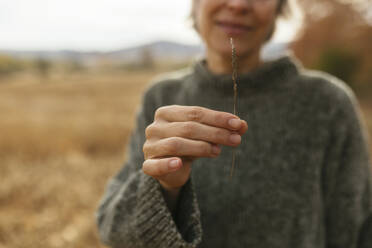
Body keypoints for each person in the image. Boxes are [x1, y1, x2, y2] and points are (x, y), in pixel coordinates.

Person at [96, 0, 372, 247]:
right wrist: (165, 187)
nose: (239, 4)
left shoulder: (327, 103)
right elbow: (114, 232)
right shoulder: (162, 99)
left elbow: (356, 229)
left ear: (279, 7)